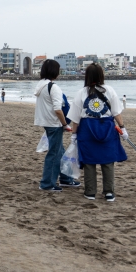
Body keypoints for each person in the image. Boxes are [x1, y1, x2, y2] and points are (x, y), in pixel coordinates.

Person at [67, 63, 127, 202]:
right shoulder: (110, 90)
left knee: (89, 161)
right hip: (107, 128)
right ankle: (109, 192)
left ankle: (90, 192)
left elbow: (75, 118)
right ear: (101, 75)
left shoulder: (81, 93)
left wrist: (74, 135)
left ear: (87, 76)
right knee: (108, 161)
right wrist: (122, 128)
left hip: (87, 129)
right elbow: (116, 112)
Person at [34, 60, 79, 192]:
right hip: (54, 123)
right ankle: (47, 183)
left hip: (46, 122)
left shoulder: (41, 85)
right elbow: (58, 109)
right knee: (54, 153)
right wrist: (65, 124)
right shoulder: (53, 87)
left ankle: (65, 179)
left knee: (60, 151)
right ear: (55, 71)